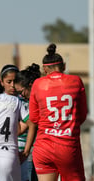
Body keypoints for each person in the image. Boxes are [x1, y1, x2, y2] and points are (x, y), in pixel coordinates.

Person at [29, 43, 87, 181]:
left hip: (43, 147)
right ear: (64, 66)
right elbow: (82, 115)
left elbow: (34, 117)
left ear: (45, 68)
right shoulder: (76, 81)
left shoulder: (38, 83)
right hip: (67, 146)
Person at [1, 64, 31, 181]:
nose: (12, 85)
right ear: (1, 82)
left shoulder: (25, 100)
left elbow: (29, 125)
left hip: (24, 153)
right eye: (9, 81)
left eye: (15, 81)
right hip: (4, 150)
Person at [13, 63, 41, 181]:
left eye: (21, 92)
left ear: (30, 86)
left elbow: (23, 128)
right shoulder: (41, 98)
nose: (21, 96)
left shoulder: (34, 103)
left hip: (35, 154)